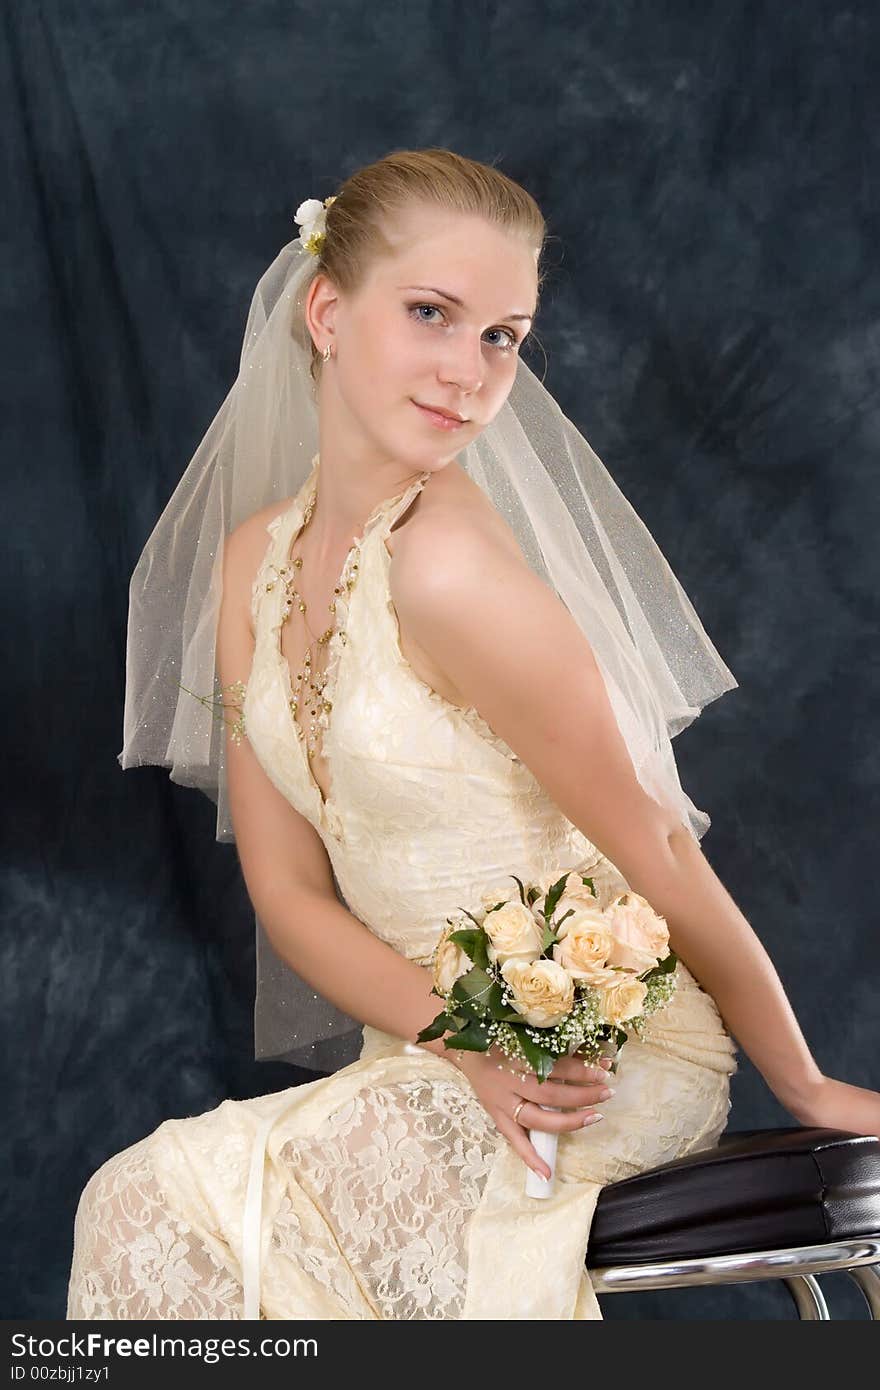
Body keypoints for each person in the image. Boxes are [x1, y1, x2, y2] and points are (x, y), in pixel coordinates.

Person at [66, 148, 880, 1321]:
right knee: (137, 1206)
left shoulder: (448, 567)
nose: (469, 372)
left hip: (604, 1058)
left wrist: (799, 1079)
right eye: (433, 315)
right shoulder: (252, 565)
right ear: (329, 311)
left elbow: (652, 836)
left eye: (503, 335)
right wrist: (457, 1041)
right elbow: (292, 894)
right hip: (436, 1046)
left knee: (228, 1198)